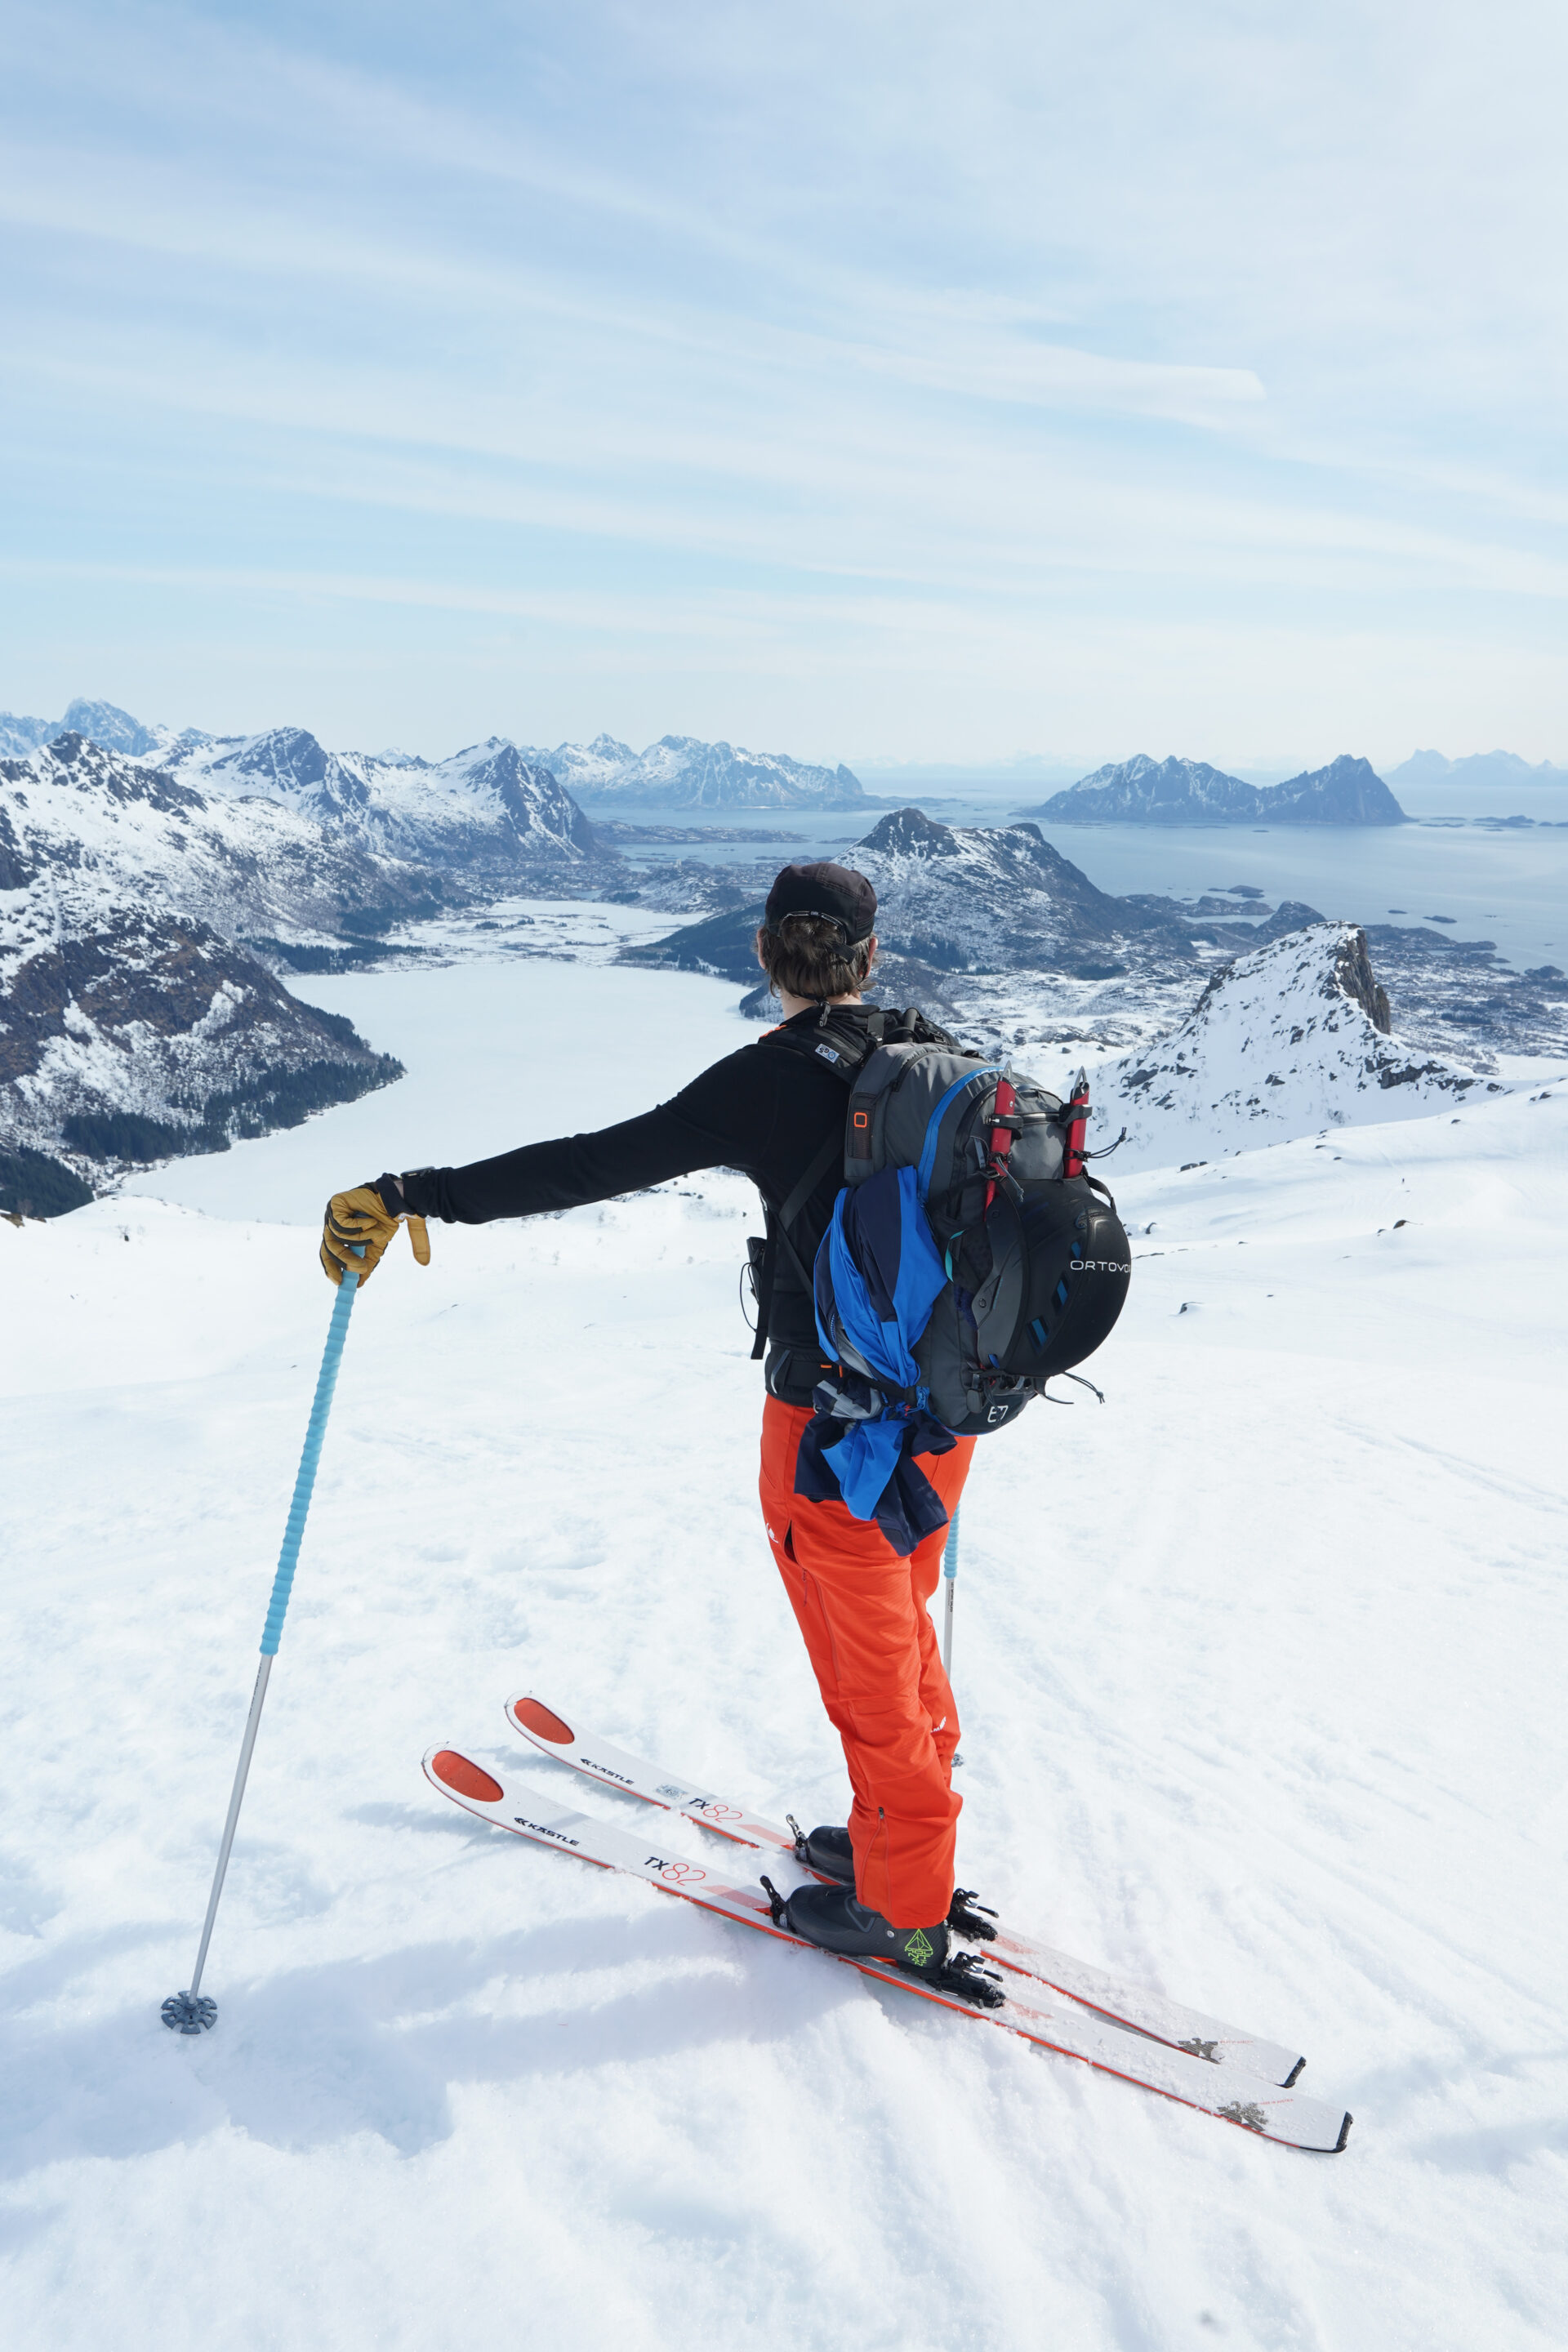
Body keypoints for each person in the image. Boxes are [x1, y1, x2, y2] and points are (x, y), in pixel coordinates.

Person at [320, 862, 976, 1983]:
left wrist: (413, 1189)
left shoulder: (767, 1081)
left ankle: (906, 1907)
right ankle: (896, 1833)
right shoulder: (937, 1061)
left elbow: (588, 1165)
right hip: (940, 1421)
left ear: (767, 956)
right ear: (870, 960)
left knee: (865, 1654)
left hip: (829, 1427)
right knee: (900, 1630)